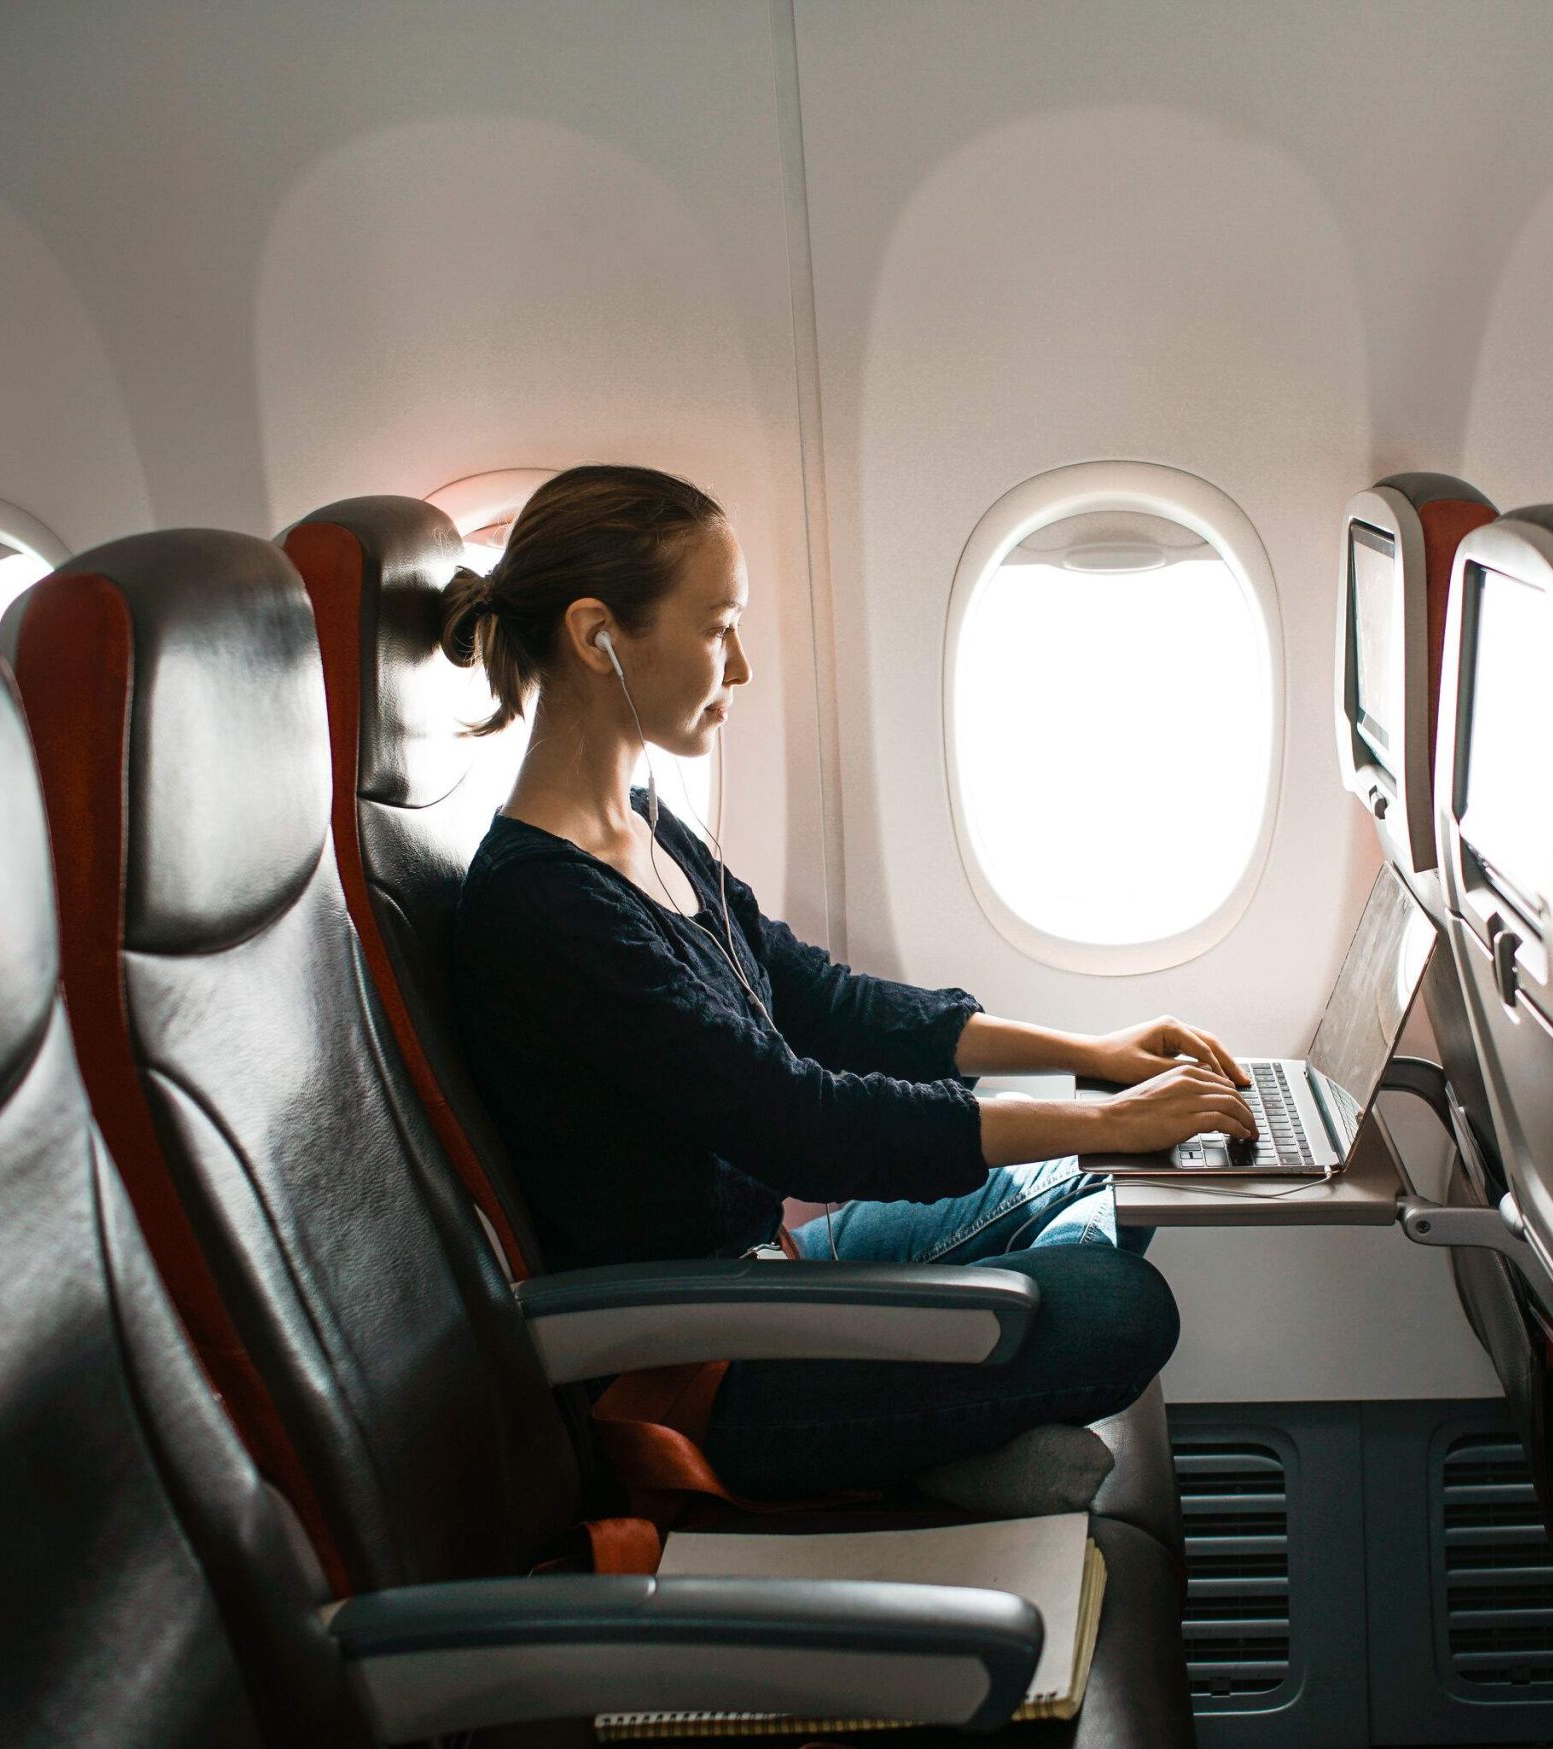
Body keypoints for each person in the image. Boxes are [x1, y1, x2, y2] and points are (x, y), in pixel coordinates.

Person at [446, 464, 1260, 1501]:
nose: (737, 667)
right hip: (697, 1357)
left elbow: (826, 1005)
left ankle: (953, 1447)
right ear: (597, 634)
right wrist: (1100, 1119)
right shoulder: (545, 909)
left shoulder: (645, 828)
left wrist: (1088, 1059)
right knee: (1118, 1309)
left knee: (1109, 1187)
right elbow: (801, 1124)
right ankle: (934, 1457)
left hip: (768, 1272)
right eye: (715, 628)